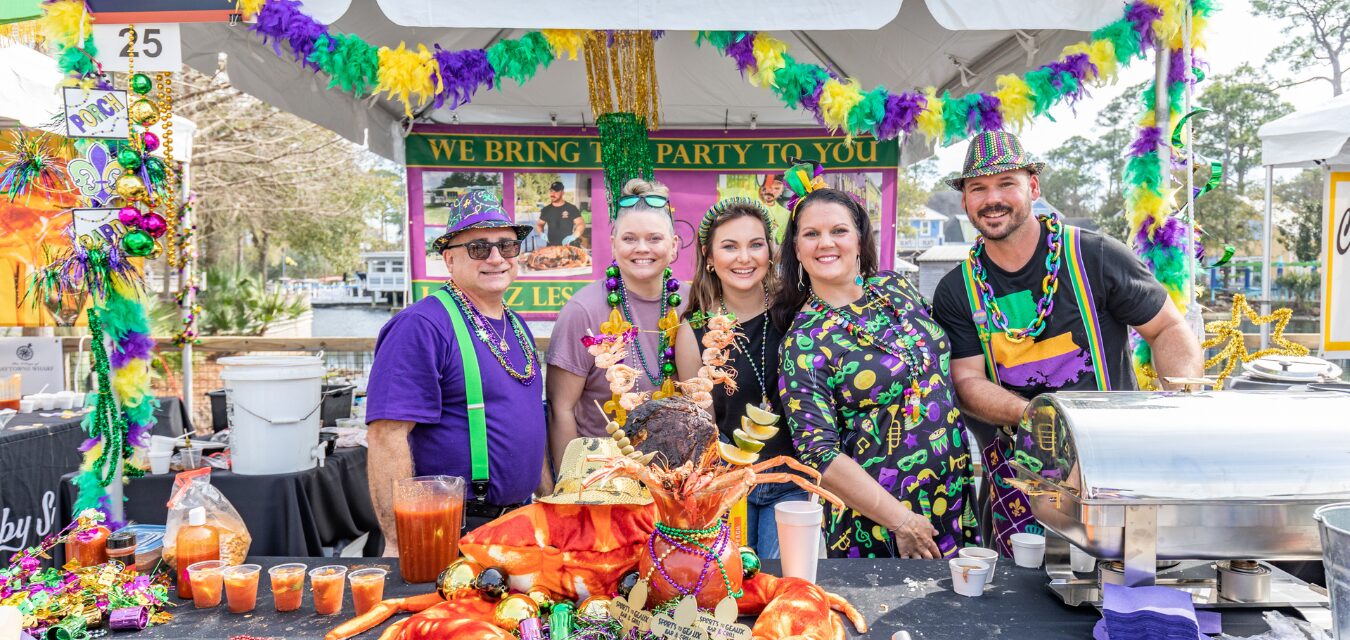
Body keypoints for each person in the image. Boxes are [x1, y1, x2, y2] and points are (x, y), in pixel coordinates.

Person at [929, 131, 1203, 549]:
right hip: (1015, 470)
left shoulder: (1096, 256)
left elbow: (1167, 327)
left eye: (1007, 184)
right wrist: (1044, 422)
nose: (992, 199)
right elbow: (966, 382)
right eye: (978, 188)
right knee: (1018, 599)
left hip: (1112, 461)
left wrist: (1181, 400)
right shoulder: (957, 289)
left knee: (1120, 578)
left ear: (1033, 187)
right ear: (965, 201)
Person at [772, 183, 979, 560]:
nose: (826, 243)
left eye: (838, 231)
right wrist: (901, 522)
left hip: (952, 497)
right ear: (797, 250)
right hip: (881, 527)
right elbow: (819, 454)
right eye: (811, 234)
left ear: (859, 238)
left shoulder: (895, 286)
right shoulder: (804, 343)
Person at [366, 191, 552, 554]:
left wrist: (549, 503)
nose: (496, 258)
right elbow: (386, 437)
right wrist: (399, 544)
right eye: (479, 248)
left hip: (522, 526)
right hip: (453, 531)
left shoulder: (516, 325)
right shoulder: (420, 326)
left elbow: (530, 423)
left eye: (507, 246)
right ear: (449, 259)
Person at [674, 197, 803, 559]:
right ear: (709, 257)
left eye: (755, 245)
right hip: (730, 487)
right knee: (736, 586)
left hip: (791, 480)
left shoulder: (796, 312)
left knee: (782, 580)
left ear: (771, 251)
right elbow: (700, 428)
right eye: (729, 247)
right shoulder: (695, 330)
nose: (744, 258)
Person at [547, 179, 689, 470]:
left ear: (673, 246)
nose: (641, 248)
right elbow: (561, 409)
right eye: (629, 239)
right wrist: (571, 488)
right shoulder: (582, 311)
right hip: (602, 478)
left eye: (654, 238)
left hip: (673, 476)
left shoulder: (693, 305)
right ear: (613, 244)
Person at [536, 181, 585, 247]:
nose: (553, 194)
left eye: (556, 191)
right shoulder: (546, 210)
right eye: (551, 191)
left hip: (568, 246)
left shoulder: (571, 208)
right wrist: (541, 233)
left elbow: (581, 224)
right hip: (551, 247)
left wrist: (574, 236)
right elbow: (540, 224)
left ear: (562, 193)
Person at [757, 174, 790, 244]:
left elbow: (782, 241)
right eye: (769, 186)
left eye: (777, 188)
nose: (771, 191)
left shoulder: (786, 214)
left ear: (782, 190)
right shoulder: (751, 203)